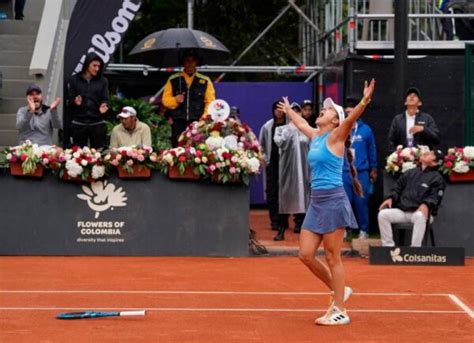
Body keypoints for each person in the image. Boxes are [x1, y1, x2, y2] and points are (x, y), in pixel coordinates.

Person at [277, 79, 375, 325]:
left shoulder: (336, 136)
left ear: (335, 121)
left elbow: (351, 120)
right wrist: (289, 112)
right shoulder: (316, 136)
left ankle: (340, 309)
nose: (324, 109)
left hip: (333, 200)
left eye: (329, 109)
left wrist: (364, 101)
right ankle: (339, 288)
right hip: (316, 202)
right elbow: (301, 123)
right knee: (305, 254)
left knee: (333, 257)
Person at [378, 148, 445, 247]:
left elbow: (435, 197)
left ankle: (414, 250)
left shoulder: (437, 178)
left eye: (431, 154)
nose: (426, 153)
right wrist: (391, 197)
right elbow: (397, 187)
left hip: (422, 214)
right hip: (403, 211)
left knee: (420, 216)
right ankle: (388, 247)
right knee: (383, 214)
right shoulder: (410, 172)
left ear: (434, 163)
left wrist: (426, 204)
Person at [162, 49, 215, 146]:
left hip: (198, 123)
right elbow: (165, 100)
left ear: (196, 62)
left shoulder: (205, 80)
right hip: (178, 123)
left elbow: (210, 102)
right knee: (177, 151)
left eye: (192, 60)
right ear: (183, 63)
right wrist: (175, 100)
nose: (190, 63)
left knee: (198, 151)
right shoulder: (173, 79)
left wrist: (203, 119)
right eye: (187, 60)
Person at [342, 97, 378, 240]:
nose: (350, 115)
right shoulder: (340, 129)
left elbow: (372, 150)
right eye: (347, 113)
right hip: (344, 171)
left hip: (361, 171)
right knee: (344, 202)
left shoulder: (366, 130)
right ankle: (345, 229)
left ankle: (364, 230)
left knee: (361, 202)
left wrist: (373, 168)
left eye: (352, 112)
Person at [273, 111, 310, 240]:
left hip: (304, 172)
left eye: (297, 111)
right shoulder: (280, 129)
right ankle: (281, 229)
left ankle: (302, 228)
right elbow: (280, 142)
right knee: (285, 200)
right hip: (287, 172)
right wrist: (290, 129)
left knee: (305, 199)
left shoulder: (307, 130)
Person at [66, 52, 109, 149]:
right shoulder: (74, 80)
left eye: (99, 66)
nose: (97, 69)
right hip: (79, 122)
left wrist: (104, 104)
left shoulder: (103, 81)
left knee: (99, 152)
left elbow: (105, 98)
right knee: (78, 154)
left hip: (97, 121)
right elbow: (69, 100)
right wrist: (75, 102)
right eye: (94, 65)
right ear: (87, 64)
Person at [259, 101, 288, 233]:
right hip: (272, 164)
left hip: (287, 163)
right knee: (272, 192)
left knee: (287, 192)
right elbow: (261, 145)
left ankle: (285, 220)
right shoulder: (267, 126)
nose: (279, 111)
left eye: (281, 108)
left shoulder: (291, 125)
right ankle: (275, 221)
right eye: (276, 109)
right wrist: (265, 159)